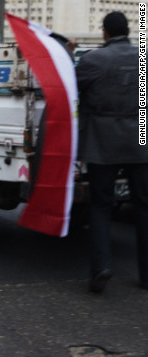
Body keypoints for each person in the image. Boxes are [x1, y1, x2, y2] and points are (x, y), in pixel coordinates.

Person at [76, 11, 148, 292]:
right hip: (141, 142)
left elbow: (72, 88)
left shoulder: (93, 60)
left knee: (101, 206)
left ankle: (102, 268)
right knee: (144, 207)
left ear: (104, 32)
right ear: (128, 30)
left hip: (102, 143)